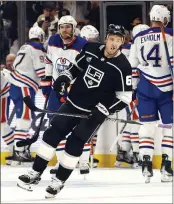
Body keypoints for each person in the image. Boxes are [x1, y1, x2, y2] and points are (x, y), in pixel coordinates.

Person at [17, 24, 132, 198]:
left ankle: (59, 181)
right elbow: (75, 68)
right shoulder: (91, 49)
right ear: (106, 38)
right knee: (51, 134)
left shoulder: (123, 66)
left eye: (118, 40)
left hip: (93, 114)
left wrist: (104, 110)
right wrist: (65, 78)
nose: (114, 44)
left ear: (122, 42)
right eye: (112, 39)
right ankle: (35, 173)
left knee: (75, 144)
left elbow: (125, 98)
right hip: (73, 102)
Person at [40, 15, 89, 175]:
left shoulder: (83, 44)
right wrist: (47, 82)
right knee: (57, 125)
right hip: (56, 89)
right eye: (62, 27)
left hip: (75, 91)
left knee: (80, 125)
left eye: (68, 27)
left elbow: (85, 69)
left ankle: (83, 162)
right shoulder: (53, 41)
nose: (64, 30)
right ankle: (61, 162)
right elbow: (48, 62)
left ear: (74, 28)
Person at [129, 5, 173, 183]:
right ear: (164, 18)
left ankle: (146, 166)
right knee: (169, 128)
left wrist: (132, 90)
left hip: (145, 87)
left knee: (147, 126)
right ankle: (166, 167)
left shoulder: (139, 36)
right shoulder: (170, 33)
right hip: (167, 88)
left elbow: (132, 66)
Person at [6, 26, 46, 164]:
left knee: (23, 117)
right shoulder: (37, 49)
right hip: (24, 86)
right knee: (25, 118)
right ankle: (19, 151)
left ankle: (20, 150)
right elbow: (42, 72)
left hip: (16, 85)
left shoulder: (24, 47)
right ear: (41, 37)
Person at [115, 24, 150, 168]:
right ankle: (137, 155)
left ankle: (124, 152)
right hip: (135, 89)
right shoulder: (134, 48)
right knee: (136, 122)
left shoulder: (125, 48)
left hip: (126, 89)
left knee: (130, 121)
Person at [80, 24, 100, 168]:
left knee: (93, 126)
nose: (94, 43)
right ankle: (80, 157)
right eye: (90, 40)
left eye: (95, 40)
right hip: (80, 94)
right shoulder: (79, 52)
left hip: (95, 93)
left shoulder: (101, 52)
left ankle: (87, 156)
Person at [1, 53, 16, 165]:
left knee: (2, 124)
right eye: (8, 61)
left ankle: (15, 150)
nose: (9, 63)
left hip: (3, 96)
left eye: (12, 60)